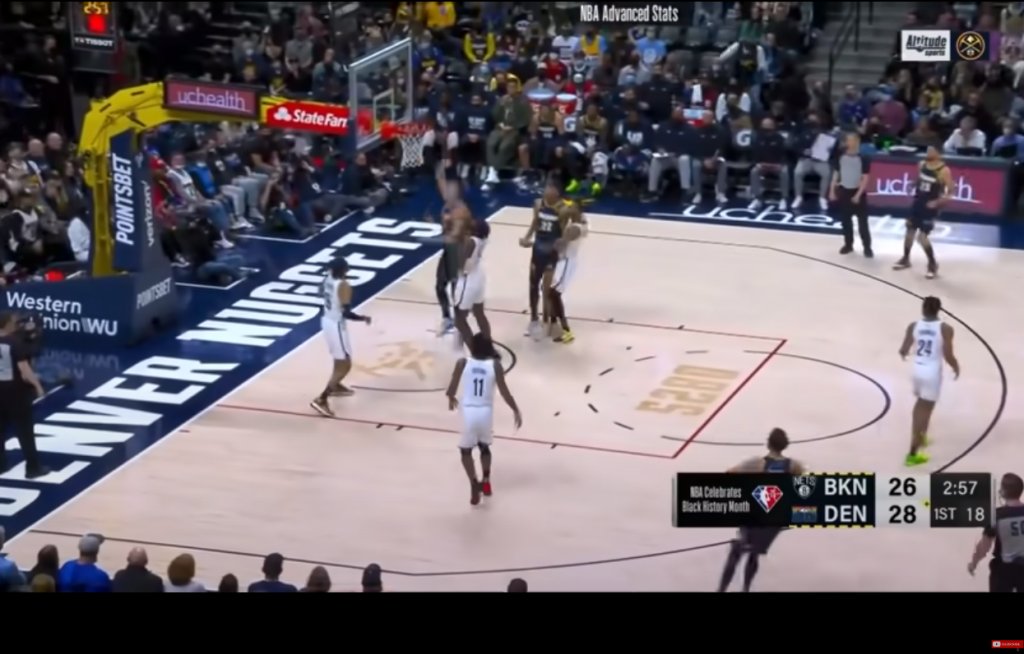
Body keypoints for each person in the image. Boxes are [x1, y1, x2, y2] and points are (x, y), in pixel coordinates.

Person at [718, 428, 805, 592]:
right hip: (774, 521)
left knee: (736, 551)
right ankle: (746, 588)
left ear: (768, 443)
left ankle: (721, 589)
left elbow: (729, 474)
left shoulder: (756, 463)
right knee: (754, 552)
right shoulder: (794, 466)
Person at [445, 333, 523, 505]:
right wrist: (515, 409)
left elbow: (451, 388)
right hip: (485, 411)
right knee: (484, 447)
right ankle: (486, 480)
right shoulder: (495, 365)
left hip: (468, 412)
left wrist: (451, 397)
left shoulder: (462, 363)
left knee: (465, 451)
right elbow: (504, 392)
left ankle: (474, 483)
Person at [898, 296, 959, 467]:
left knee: (921, 404)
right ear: (939, 310)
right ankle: (913, 454)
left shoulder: (913, 325)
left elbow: (903, 350)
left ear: (923, 309)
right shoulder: (946, 328)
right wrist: (956, 366)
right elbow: (948, 355)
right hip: (931, 373)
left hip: (916, 370)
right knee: (924, 410)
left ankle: (921, 436)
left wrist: (904, 354)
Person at [310, 257, 372, 417]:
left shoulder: (327, 279)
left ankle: (336, 385)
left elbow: (319, 291)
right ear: (346, 270)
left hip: (327, 321)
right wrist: (363, 318)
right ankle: (322, 399)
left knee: (339, 360)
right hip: (337, 325)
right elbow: (346, 313)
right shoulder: (344, 285)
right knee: (345, 364)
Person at [0, 312, 48, 478]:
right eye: (13, 321)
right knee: (25, 431)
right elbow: (25, 371)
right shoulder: (14, 343)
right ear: (7, 324)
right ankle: (33, 468)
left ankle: (1, 465)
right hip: (16, 393)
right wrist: (37, 386)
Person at [893, 146, 951, 278]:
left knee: (922, 238)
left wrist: (937, 202)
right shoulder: (922, 164)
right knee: (909, 231)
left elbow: (950, 193)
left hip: (930, 208)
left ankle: (932, 264)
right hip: (917, 204)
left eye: (931, 151)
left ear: (938, 154)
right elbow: (920, 180)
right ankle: (906, 259)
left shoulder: (944, 170)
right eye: (928, 151)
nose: (928, 153)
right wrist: (913, 184)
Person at [520, 182, 568, 339]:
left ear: (557, 193)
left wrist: (561, 250)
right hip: (537, 251)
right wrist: (527, 237)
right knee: (533, 285)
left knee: (547, 289)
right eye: (546, 189)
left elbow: (563, 234)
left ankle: (548, 321)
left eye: (550, 189)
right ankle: (534, 319)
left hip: (551, 253)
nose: (546, 192)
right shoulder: (538, 203)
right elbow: (535, 222)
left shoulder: (563, 209)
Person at [969, 473, 1024, 592]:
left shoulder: (996, 516)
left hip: (1003, 570)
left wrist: (973, 563)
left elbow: (983, 547)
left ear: (1003, 492)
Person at [451, 204, 492, 347]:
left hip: (467, 281)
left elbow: (459, 264)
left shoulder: (470, 242)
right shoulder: (482, 240)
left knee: (459, 320)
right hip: (478, 277)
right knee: (479, 314)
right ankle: (488, 346)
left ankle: (475, 351)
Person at [829, 132, 873, 258]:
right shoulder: (840, 156)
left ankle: (867, 247)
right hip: (844, 191)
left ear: (857, 142)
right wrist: (832, 190)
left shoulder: (864, 158)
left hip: (858, 193)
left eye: (852, 140)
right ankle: (848, 244)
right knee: (846, 221)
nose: (850, 142)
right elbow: (836, 174)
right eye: (848, 140)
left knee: (863, 223)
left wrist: (858, 195)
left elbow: (865, 178)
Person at [549, 203, 587, 344]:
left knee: (554, 293)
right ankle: (553, 319)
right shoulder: (580, 220)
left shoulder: (575, 228)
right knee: (550, 291)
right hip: (564, 261)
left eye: (572, 207)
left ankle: (567, 330)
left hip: (567, 262)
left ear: (578, 210)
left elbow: (560, 244)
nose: (568, 208)